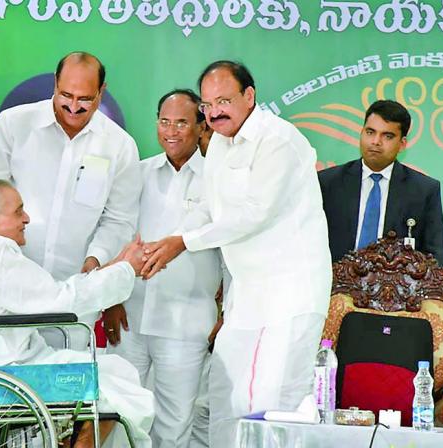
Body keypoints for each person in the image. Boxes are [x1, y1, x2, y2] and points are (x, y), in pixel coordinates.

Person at [140, 60, 332, 446]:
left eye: (224, 101)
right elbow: (209, 209)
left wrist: (184, 242)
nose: (215, 112)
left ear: (250, 96)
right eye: (208, 106)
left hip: (288, 296)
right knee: (225, 396)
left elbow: (254, 215)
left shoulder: (278, 140)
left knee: (272, 401)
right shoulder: (220, 148)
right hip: (246, 296)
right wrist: (167, 240)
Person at [0, 180, 154, 447]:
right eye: (18, 211)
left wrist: (117, 265)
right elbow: (60, 301)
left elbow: (56, 293)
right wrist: (125, 269)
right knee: (117, 386)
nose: (27, 218)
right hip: (8, 375)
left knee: (117, 373)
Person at [0, 52, 141, 347]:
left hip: (76, 295)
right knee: (5, 382)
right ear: (55, 84)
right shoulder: (14, 125)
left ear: (102, 91)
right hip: (9, 287)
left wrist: (96, 259)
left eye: (85, 99)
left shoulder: (119, 146)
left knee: (65, 381)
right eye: (66, 95)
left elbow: (119, 219)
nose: (73, 107)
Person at [102, 89, 222, 447]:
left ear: (201, 127)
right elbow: (115, 235)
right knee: (116, 417)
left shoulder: (217, 181)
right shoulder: (136, 174)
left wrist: (228, 308)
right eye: (164, 121)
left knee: (174, 426)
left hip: (185, 324)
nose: (171, 131)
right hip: (129, 317)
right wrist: (109, 299)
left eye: (182, 122)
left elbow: (233, 251)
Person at [318, 99, 443, 265]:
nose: (376, 141)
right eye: (370, 132)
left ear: (402, 144)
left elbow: (434, 259)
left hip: (397, 288)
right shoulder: (327, 183)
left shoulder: (424, 190)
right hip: (335, 286)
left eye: (387, 136)